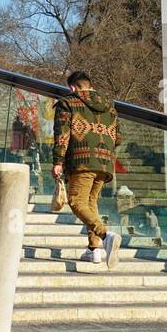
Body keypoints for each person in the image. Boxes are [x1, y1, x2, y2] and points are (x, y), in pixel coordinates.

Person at [53, 70, 121, 267]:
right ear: (89, 84)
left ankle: (106, 236)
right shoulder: (110, 105)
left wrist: (58, 161)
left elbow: (62, 136)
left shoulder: (67, 102)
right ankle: (94, 250)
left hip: (81, 161)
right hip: (104, 162)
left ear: (72, 87)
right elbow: (118, 138)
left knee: (76, 201)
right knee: (91, 202)